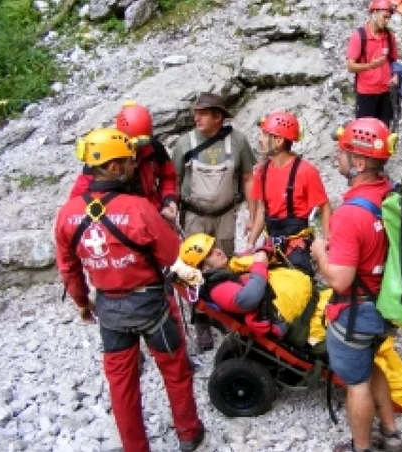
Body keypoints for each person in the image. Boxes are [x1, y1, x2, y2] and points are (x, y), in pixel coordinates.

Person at [176, 233, 402, 421]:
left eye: (213, 247)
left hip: (313, 307)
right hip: (307, 325)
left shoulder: (228, 270)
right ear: (201, 267)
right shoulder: (219, 286)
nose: (217, 251)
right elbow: (248, 298)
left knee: (369, 332)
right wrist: (260, 265)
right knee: (368, 351)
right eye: (209, 254)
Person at [54, 128, 204, 451]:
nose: (134, 165)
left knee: (121, 386)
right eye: (127, 161)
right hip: (152, 307)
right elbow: (172, 254)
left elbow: (68, 267)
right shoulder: (138, 209)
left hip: (109, 311)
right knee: (175, 371)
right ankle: (189, 432)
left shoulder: (68, 214)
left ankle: (135, 447)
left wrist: (83, 302)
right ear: (111, 168)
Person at [311, 118, 402, 452]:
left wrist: (321, 252)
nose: (338, 156)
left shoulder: (351, 214)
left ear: (360, 162)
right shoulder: (388, 192)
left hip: (356, 311)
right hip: (384, 304)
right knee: (372, 363)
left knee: (357, 381)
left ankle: (361, 447)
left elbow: (339, 279)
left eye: (344, 152)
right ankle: (391, 432)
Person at [171, 91, 257, 350]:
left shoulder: (238, 142)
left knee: (224, 262)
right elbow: (173, 180)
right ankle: (201, 319)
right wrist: (172, 211)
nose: (196, 117)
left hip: (225, 214)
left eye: (203, 113)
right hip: (195, 214)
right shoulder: (184, 144)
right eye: (195, 113)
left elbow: (248, 178)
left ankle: (225, 310)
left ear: (218, 117)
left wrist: (253, 216)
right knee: (195, 267)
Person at [247, 111, 332, 275]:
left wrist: (328, 243)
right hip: (271, 243)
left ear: (278, 141)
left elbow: (325, 207)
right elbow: (262, 209)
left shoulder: (306, 171)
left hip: (297, 246)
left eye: (265, 135)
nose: (260, 140)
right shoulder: (262, 172)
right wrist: (250, 244)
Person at [69, 101, 179, 222]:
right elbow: (77, 201)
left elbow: (168, 177)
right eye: (135, 144)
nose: (138, 149)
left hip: (152, 213)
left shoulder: (153, 148)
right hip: (119, 219)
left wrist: (169, 199)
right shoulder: (103, 159)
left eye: (143, 142)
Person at [346, 0, 399, 128]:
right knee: (364, 132)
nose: (387, 21)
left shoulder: (389, 35)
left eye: (389, 18)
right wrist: (370, 65)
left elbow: (393, 60)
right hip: (366, 93)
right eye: (384, 17)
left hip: (385, 92)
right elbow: (350, 66)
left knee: (383, 131)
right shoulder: (359, 36)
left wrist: (396, 74)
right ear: (374, 13)